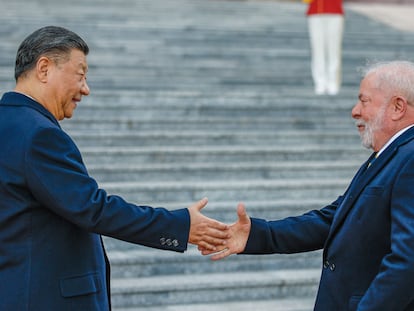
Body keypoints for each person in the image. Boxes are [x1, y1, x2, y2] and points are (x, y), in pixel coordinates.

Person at [0, 25, 229, 310]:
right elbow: (93, 208)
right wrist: (181, 226)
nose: (86, 88)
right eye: (80, 75)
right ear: (44, 68)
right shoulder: (38, 134)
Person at [203, 60, 414, 310]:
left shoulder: (409, 158)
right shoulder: (391, 155)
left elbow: (408, 261)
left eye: (364, 101)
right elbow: (332, 220)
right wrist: (257, 235)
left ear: (397, 107)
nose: (355, 111)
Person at [304, 0, 344, 95]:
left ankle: (333, 81)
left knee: (334, 49)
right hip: (315, 11)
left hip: (334, 10)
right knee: (317, 49)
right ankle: (320, 82)